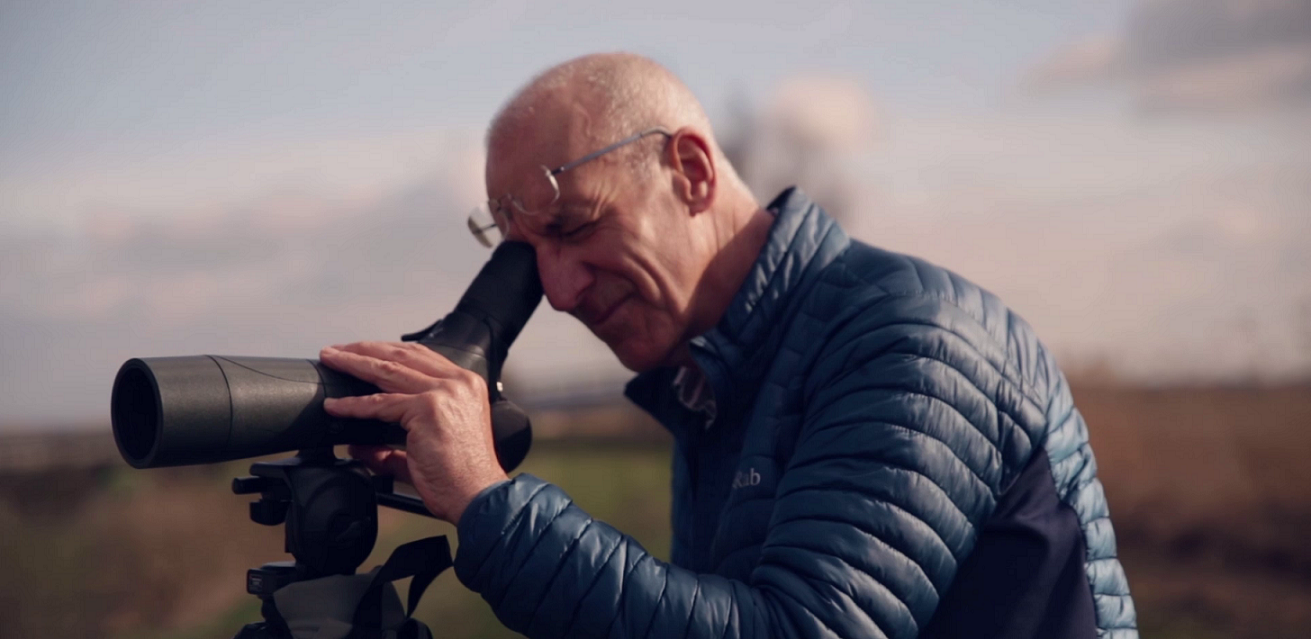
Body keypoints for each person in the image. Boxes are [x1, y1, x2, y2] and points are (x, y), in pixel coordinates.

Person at [318, 53, 1138, 639]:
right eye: (529, 260)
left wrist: (485, 500)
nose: (561, 292)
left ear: (691, 172)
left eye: (575, 228)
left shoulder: (909, 344)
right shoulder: (717, 376)